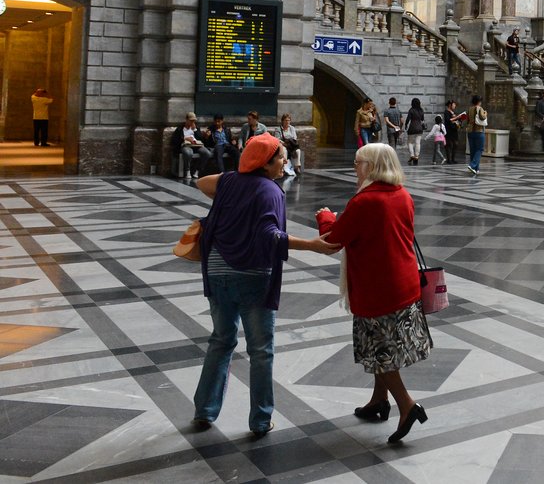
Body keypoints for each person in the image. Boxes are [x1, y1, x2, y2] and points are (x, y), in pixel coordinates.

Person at [192, 134, 338, 437]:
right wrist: (311, 245)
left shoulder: (230, 182)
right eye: (281, 156)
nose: (285, 161)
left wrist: (235, 183)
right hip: (252, 278)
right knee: (260, 350)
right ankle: (260, 420)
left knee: (221, 340)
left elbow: (202, 182)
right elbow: (269, 236)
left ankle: (204, 410)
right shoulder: (270, 191)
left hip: (217, 272)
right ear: (266, 162)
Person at [316, 144, 432, 445]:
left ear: (372, 166)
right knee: (383, 345)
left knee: (379, 351)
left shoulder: (365, 201)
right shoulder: (403, 195)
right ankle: (379, 400)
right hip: (404, 282)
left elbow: (335, 239)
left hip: (377, 286)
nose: (355, 168)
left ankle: (407, 405)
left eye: (358, 163)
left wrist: (326, 218)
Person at [172, 112, 213, 178]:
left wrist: (195, 130)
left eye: (193, 121)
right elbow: (174, 140)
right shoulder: (180, 129)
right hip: (186, 145)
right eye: (191, 121)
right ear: (187, 120)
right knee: (188, 153)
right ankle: (187, 171)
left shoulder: (196, 128)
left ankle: (197, 170)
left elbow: (200, 139)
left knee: (207, 153)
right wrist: (185, 138)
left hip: (196, 146)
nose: (192, 122)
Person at [465, 95, 487, 175]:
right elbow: (482, 117)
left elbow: (467, 120)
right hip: (479, 131)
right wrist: (485, 113)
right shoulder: (479, 108)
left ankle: (475, 169)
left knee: (473, 150)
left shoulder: (469, 109)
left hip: (470, 131)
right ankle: (472, 165)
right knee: (480, 149)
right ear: (479, 101)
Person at [405, 98, 426, 165]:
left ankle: (412, 155)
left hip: (412, 127)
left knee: (410, 142)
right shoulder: (421, 110)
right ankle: (416, 157)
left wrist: (406, 125)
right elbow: (422, 119)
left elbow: (408, 119)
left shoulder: (411, 110)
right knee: (418, 143)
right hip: (419, 128)